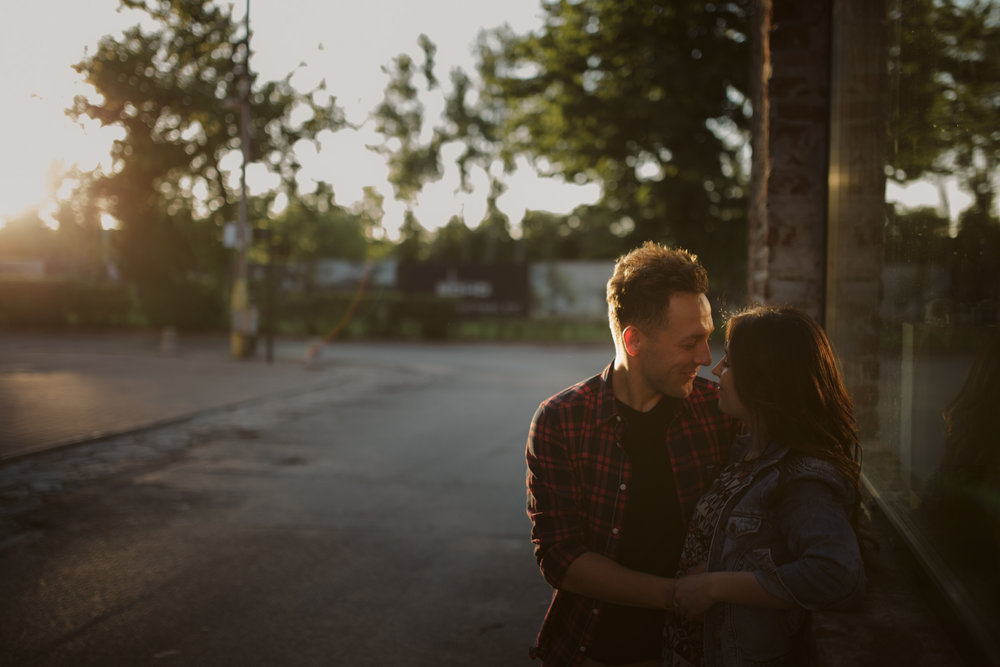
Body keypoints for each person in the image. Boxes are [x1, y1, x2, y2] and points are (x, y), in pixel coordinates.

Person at [526, 242, 739, 667]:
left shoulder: (723, 415)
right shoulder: (561, 420)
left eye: (708, 338)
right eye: (690, 342)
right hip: (592, 649)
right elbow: (559, 556)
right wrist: (675, 595)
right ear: (633, 339)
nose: (705, 357)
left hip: (701, 652)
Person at [667, 305, 866, 667]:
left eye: (728, 363)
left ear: (763, 379)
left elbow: (837, 576)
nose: (716, 370)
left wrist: (714, 586)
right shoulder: (746, 452)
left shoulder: (802, 478)